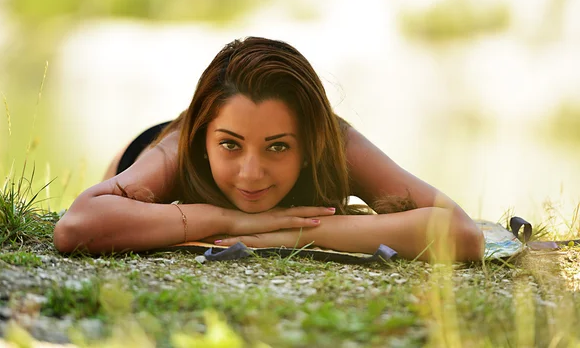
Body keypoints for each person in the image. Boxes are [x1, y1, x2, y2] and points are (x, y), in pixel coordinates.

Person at [53, 37, 484, 261]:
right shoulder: (177, 149)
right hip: (143, 148)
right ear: (206, 137)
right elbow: (77, 227)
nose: (251, 173)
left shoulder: (336, 143)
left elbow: (462, 234)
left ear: (310, 144)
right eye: (230, 145)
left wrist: (303, 232)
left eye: (278, 147)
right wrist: (230, 220)